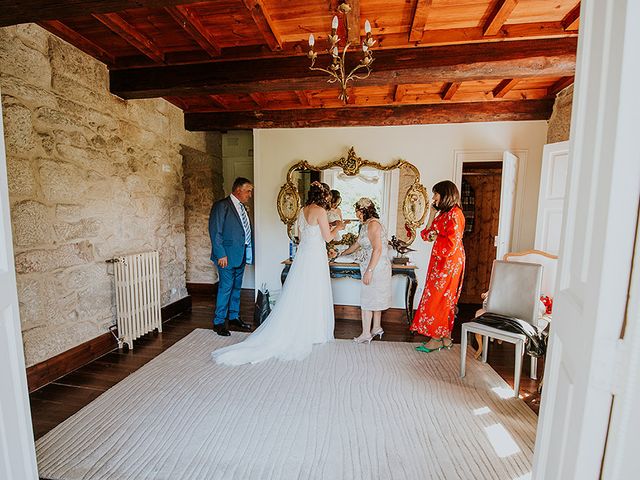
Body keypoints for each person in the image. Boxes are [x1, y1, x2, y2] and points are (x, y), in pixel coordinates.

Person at [212, 182, 344, 365]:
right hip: (315, 258)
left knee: (300, 292)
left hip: (303, 256)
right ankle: (313, 331)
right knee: (314, 292)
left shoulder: (303, 210)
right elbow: (327, 237)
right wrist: (338, 227)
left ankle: (302, 328)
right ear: (324, 196)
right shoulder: (320, 211)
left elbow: (299, 237)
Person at [410, 180, 466, 353]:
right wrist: (431, 216)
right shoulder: (443, 214)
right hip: (439, 262)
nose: (433, 198)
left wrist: (438, 236)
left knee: (440, 299)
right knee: (440, 298)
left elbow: (451, 245)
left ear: (445, 195)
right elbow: (426, 236)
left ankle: (435, 339)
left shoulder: (456, 214)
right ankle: (445, 338)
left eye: (436, 194)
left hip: (448, 263)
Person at [334, 198, 392, 343]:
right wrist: (342, 253)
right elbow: (357, 244)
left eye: (358, 211)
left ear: (364, 211)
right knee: (374, 297)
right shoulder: (366, 225)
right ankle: (376, 327)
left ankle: (366, 333)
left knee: (367, 299)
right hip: (374, 266)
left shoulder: (373, 225)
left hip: (376, 267)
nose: (357, 214)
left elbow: (378, 249)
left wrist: (370, 271)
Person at [208, 177, 254, 336]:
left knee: (236, 288)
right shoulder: (221, 206)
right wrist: (220, 254)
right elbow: (215, 232)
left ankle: (233, 316)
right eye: (248, 191)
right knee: (225, 288)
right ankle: (219, 321)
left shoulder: (243, 207)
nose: (250, 194)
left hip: (240, 254)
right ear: (238, 190)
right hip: (225, 256)